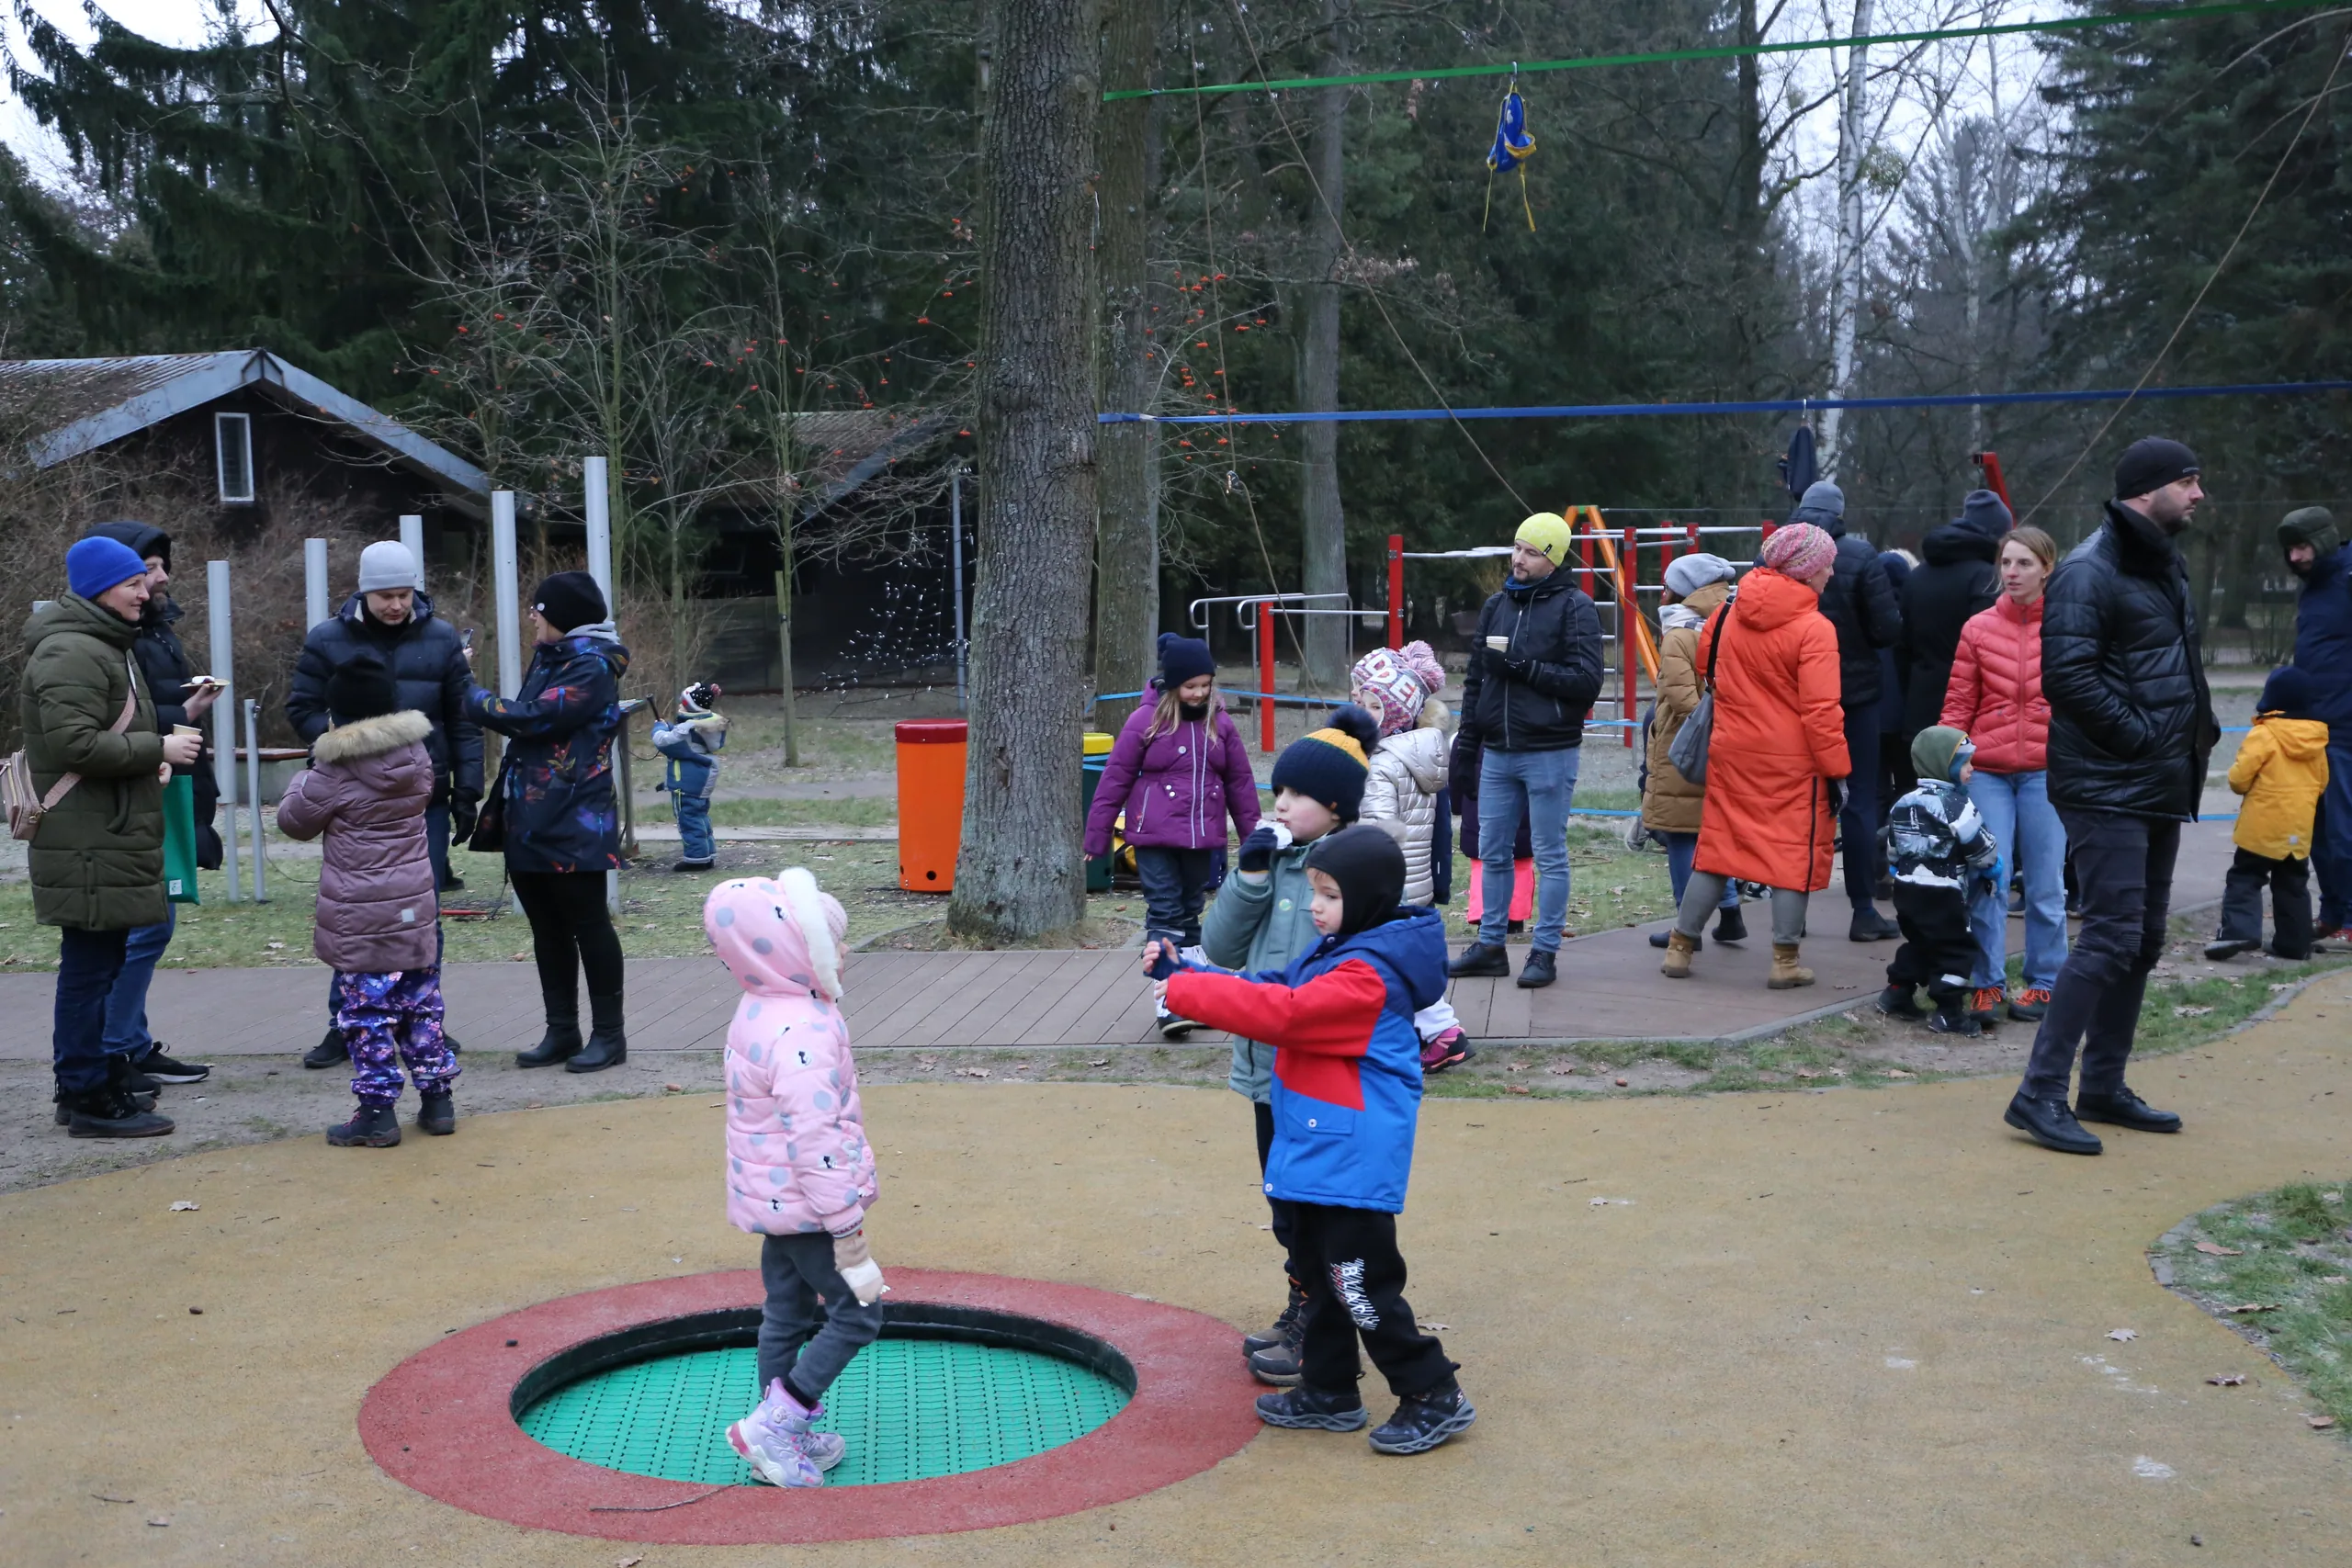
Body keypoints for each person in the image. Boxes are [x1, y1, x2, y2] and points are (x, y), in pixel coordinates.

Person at [1154, 826, 1476, 1456]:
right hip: (1316, 1144)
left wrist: (1185, 989)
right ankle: (1330, 1390)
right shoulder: (1339, 949)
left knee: (1358, 1281)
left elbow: (1289, 1012)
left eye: (1328, 895)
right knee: (1316, 1272)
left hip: (1351, 1155)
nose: (1314, 906)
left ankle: (1434, 1391)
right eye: (1313, 892)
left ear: (1366, 897)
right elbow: (1273, 984)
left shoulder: (1366, 973)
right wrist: (1187, 968)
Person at [2005, 438, 2217, 1157]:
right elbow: (2068, 678)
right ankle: (2038, 1094)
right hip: (2108, 786)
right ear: (2147, 489)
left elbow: (2173, 667)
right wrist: (2141, 740)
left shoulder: (2162, 562)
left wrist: (2192, 738)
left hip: (2158, 783)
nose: (2197, 494)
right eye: (2187, 482)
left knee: (2143, 941)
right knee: (2109, 938)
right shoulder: (2091, 569)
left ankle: (2101, 1085)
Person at [1202, 707, 1377, 1387]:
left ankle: (1323, 1327)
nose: (1280, 804)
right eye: (1278, 791)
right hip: (1262, 1069)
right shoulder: (1271, 861)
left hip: (1316, 1074)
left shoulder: (1343, 870)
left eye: (1296, 795)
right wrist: (1246, 877)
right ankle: (1302, 1302)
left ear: (1334, 807)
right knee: (1284, 1205)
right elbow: (1218, 947)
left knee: (1314, 1209)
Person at [707, 870, 886, 1489]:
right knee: (859, 1310)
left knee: (785, 1310)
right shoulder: (802, 1029)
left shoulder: (760, 1004)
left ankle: (777, 1432)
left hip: (773, 1199)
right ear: (793, 950)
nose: (842, 953)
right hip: (810, 1206)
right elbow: (816, 1139)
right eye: (830, 942)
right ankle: (776, 1425)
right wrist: (847, 1226)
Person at [25, 536, 206, 1136]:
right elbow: (71, 743)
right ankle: (84, 1096)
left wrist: (142, 760)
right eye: (133, 581)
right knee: (88, 969)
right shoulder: (72, 651)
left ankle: (97, 1081)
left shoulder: (103, 644)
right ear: (101, 587)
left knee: (99, 967)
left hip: (103, 831)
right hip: (86, 838)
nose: (146, 588)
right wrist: (158, 746)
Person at [289, 540, 481, 1070]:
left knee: (423, 909)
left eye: (403, 595)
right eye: (385, 597)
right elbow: (301, 707)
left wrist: (468, 788)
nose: (396, 605)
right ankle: (344, 1022)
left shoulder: (440, 638)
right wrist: (341, 740)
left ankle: (423, 1020)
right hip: (354, 796)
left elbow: (462, 718)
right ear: (364, 592)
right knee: (355, 912)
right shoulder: (327, 639)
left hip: (426, 791)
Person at [273, 650, 458, 1147]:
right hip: (413, 907)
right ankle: (438, 1101)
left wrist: (305, 774)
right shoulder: (417, 757)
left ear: (338, 714)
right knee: (421, 1004)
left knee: (368, 1013)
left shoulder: (334, 771)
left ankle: (377, 1113)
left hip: (362, 915)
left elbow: (294, 821)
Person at [1658, 523, 1851, 989]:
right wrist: (1838, 770)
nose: (1831, 571)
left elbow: (1708, 670)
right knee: (1792, 856)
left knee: (1717, 851)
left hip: (1731, 752)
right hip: (1793, 763)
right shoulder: (1814, 628)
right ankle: (1784, 962)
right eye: (1826, 563)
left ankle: (1680, 950)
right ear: (1806, 570)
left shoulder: (1728, 613)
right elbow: (1822, 712)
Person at [460, 570, 633, 1072]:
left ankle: (609, 1037)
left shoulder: (593, 667)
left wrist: (466, 692)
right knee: (546, 928)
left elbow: (532, 718)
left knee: (588, 924)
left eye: (539, 609)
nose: (532, 617)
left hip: (575, 818)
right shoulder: (553, 656)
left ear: (562, 615)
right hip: (531, 814)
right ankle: (562, 1032)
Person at [77, 521, 216, 1090]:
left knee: (153, 924)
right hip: (135, 790)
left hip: (166, 780)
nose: (158, 579)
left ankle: (129, 1042)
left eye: (158, 568)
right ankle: (115, 1050)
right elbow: (101, 724)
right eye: (145, 570)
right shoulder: (106, 639)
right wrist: (176, 720)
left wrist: (186, 706)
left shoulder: (156, 628)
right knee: (142, 929)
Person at [1449, 513, 1605, 989]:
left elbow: (1586, 681)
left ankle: (1545, 951)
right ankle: (1491, 945)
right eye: (1516, 548)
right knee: (1493, 849)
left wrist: (1523, 666)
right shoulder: (1498, 605)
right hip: (1497, 749)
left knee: (1549, 852)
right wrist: (1468, 744)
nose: (1518, 559)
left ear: (1553, 558)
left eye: (1532, 552)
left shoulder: (1575, 607)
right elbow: (1476, 680)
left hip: (1549, 749)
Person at [1084, 634, 1261, 1039]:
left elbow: (1241, 784)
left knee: (1190, 912)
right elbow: (1114, 780)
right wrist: (1096, 837)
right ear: (1172, 685)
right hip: (1155, 839)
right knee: (1164, 912)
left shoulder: (1221, 723)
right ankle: (1168, 999)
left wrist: (1254, 842)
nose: (1198, 694)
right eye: (1190, 686)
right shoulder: (1145, 722)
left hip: (1202, 839)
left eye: (1205, 685)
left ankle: (1193, 994)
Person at [1940, 525, 2068, 1026]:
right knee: (1987, 876)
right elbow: (1957, 702)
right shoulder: (1978, 628)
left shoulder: (2064, 626)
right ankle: (1986, 983)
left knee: (2045, 883)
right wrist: (1950, 759)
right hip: (1987, 769)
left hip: (2045, 770)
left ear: (2047, 568)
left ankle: (2046, 983)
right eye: (2006, 563)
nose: (2012, 573)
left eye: (2024, 564)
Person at [1790, 481, 1905, 942]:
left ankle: (1791, 911)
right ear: (1840, 513)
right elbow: (1887, 629)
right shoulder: (1858, 555)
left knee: (1797, 803)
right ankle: (1862, 910)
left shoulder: (1776, 555)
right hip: (1854, 699)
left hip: (1794, 698)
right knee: (1856, 800)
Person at [1352, 643, 1470, 1072]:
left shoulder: (1382, 764)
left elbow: (1379, 828)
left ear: (1398, 715)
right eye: (1360, 704)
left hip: (1389, 881)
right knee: (1398, 960)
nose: (1364, 714)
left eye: (1374, 707)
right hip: (1414, 876)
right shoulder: (1418, 754)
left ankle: (1443, 1031)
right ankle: (1417, 1030)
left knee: (1393, 961)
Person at [1641, 553, 1746, 952]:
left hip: (1685, 745)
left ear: (1683, 590)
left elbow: (1682, 697)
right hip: (1729, 741)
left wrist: (1705, 721)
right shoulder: (1732, 620)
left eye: (1667, 585)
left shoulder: (1680, 633)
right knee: (1713, 830)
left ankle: (1687, 926)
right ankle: (1731, 911)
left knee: (1682, 833)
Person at [1877, 727, 2003, 1036]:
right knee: (1955, 949)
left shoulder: (1903, 801)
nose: (1971, 770)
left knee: (1920, 940)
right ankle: (1948, 1012)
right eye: (1965, 763)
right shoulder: (1956, 804)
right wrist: (1993, 866)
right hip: (1943, 891)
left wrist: (1898, 868)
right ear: (1943, 766)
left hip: (1907, 889)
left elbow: (1893, 844)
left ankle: (1897, 990)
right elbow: (1980, 846)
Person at [2206, 666, 2328, 963]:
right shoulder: (2317, 741)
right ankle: (2295, 943)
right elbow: (2322, 782)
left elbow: (2238, 780)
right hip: (2298, 831)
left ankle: (2239, 930)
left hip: (2261, 828)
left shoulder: (2264, 735)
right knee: (2293, 884)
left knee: (2245, 877)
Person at [2278, 507, 2352, 940]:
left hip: (2344, 728)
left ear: (2323, 541)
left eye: (2302, 546)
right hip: (2311, 729)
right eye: (2289, 550)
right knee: (2317, 829)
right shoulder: (2314, 588)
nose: (2295, 557)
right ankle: (2334, 912)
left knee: (2345, 829)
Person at [1901, 490, 2009, 740]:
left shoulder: (1917, 576)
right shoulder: (1987, 578)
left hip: (1920, 707)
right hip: (1973, 714)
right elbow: (1989, 651)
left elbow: (1902, 647)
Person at [650, 682, 728, 872]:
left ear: (689, 707)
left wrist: (658, 728)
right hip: (702, 779)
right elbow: (682, 736)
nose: (679, 706)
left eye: (682, 703)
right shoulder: (708, 724)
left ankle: (696, 859)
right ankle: (707, 854)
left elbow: (663, 742)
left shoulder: (687, 729)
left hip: (685, 782)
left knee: (688, 818)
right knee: (700, 816)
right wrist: (669, 726)